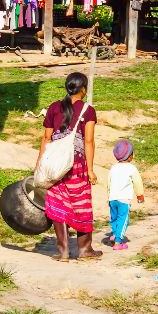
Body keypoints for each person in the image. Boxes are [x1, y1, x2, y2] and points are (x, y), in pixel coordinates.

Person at [35, 72, 102, 261]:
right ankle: (84, 249)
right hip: (77, 166)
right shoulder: (88, 110)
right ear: (83, 89)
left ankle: (63, 251)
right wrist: (90, 170)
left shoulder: (54, 107)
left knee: (58, 204)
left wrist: (40, 163)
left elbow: (47, 138)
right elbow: (88, 141)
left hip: (55, 166)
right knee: (81, 204)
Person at [107, 139, 144, 251]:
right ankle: (118, 242)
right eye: (132, 153)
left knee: (114, 218)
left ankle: (114, 234)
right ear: (129, 157)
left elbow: (109, 183)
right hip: (124, 199)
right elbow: (137, 182)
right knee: (124, 220)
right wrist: (140, 195)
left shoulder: (113, 168)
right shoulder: (131, 168)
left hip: (112, 199)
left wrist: (109, 196)